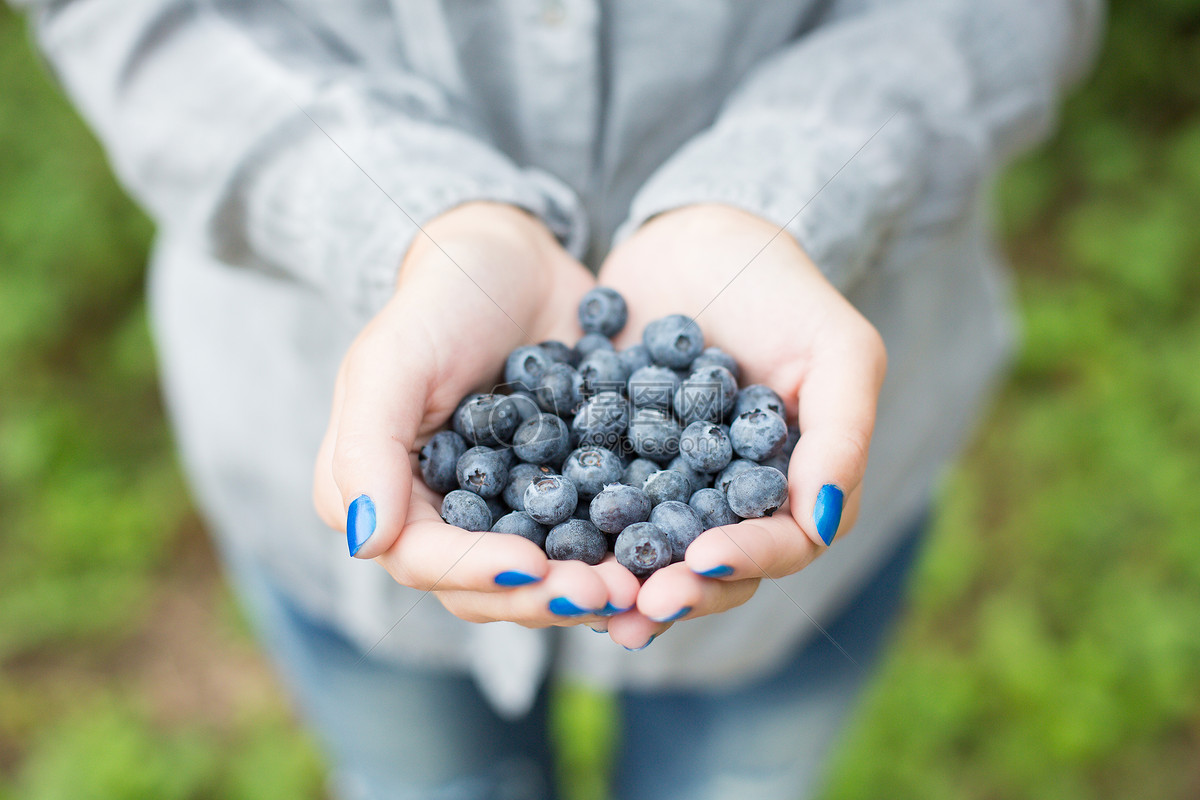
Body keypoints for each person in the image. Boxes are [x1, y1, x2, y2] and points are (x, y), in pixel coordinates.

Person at [18, 0, 1102, 797]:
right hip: (311, 448)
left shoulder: (678, 419)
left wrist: (786, 188)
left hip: (808, 531)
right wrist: (406, 219)